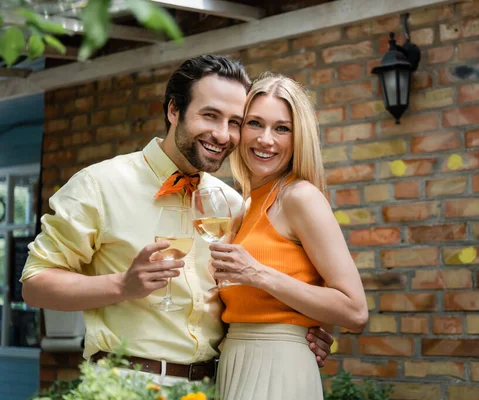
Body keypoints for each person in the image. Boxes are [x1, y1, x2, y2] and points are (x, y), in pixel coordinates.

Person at [20, 56, 332, 386]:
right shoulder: (99, 185)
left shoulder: (233, 204)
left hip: (213, 386)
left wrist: (296, 333)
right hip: (126, 384)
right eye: (210, 115)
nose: (222, 134)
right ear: (173, 111)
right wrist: (123, 285)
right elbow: (35, 285)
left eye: (235, 122)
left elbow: (247, 296)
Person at [209, 73, 369, 400]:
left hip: (278, 368)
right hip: (236, 362)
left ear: (299, 138)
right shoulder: (246, 205)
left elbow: (355, 311)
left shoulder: (299, 197)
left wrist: (258, 274)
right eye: (255, 123)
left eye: (282, 128)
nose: (266, 139)